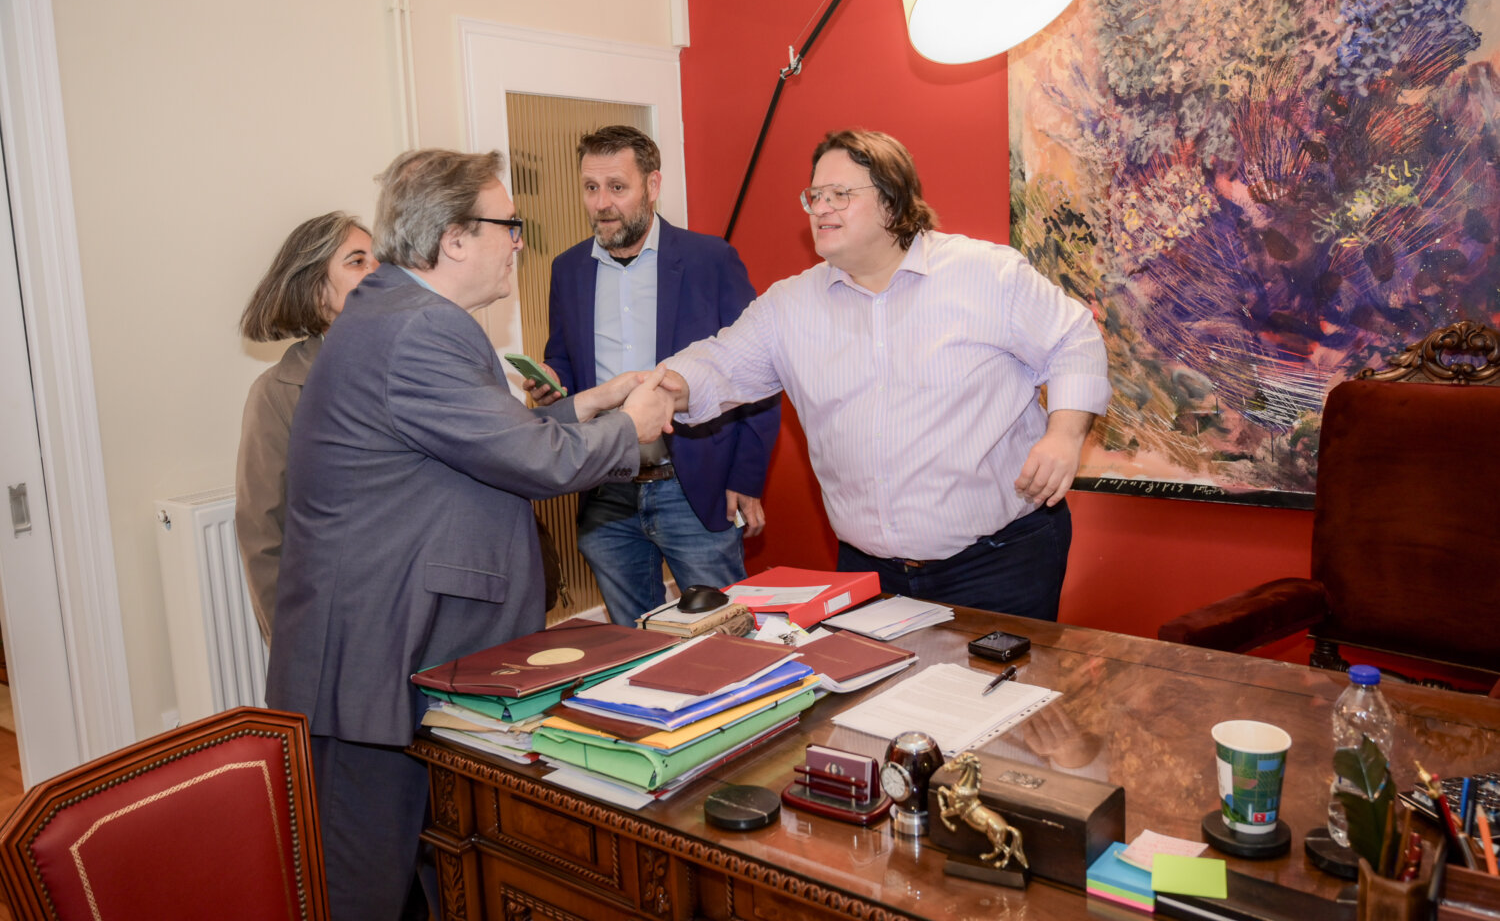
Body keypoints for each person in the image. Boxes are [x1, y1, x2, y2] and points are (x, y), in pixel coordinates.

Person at [264, 148, 675, 921]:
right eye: (508, 225)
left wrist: (586, 405)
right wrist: (634, 426)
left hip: (403, 650)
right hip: (373, 664)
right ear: (454, 238)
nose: (519, 242)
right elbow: (533, 461)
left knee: (433, 877)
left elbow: (479, 443)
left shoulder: (401, 314)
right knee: (364, 896)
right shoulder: (420, 328)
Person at [662, 129, 1110, 619]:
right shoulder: (788, 306)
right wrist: (662, 389)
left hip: (1000, 564)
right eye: (814, 196)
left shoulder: (988, 274)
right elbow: (718, 363)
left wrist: (1065, 436)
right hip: (869, 573)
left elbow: (1075, 339)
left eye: (840, 194)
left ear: (893, 204)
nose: (821, 208)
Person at [530, 125, 780, 624]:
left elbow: (758, 370)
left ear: (652, 185)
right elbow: (565, 358)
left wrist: (746, 477)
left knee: (725, 637)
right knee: (633, 641)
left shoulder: (711, 260)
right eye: (591, 187)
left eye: (617, 187)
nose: (602, 203)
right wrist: (550, 378)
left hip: (693, 486)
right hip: (605, 490)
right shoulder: (568, 269)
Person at [235, 212, 376, 644]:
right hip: (344, 623)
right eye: (357, 261)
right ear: (316, 292)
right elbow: (262, 529)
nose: (377, 271)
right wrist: (291, 644)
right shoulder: (277, 394)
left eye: (381, 260)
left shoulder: (415, 365)